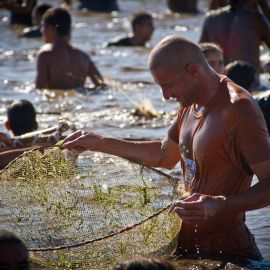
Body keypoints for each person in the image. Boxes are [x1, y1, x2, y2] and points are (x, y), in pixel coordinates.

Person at [63, 35, 270, 261]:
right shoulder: (189, 103)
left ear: (193, 70)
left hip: (229, 253)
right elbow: (164, 155)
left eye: (169, 85)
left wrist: (218, 205)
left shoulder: (239, 109)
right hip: (186, 251)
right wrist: (99, 142)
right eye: (161, 87)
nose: (165, 96)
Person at [199, 0, 270, 86]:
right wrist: (264, 6)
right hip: (249, 87)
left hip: (220, 86)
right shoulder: (256, 19)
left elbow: (199, 54)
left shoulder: (211, 19)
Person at [35, 7, 104, 89]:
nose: (42, 31)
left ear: (51, 28)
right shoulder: (84, 57)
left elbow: (39, 88)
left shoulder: (45, 55)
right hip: (80, 100)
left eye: (43, 26)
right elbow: (101, 85)